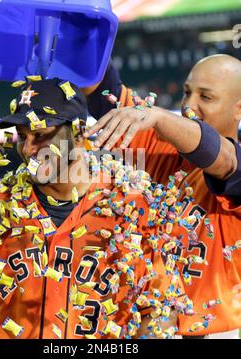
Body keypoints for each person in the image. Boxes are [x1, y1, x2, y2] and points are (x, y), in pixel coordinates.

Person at [0, 78, 186, 339]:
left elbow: (160, 312)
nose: (28, 149)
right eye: (23, 137)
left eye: (40, 135)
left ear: (79, 133)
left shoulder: (132, 208)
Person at [83, 54, 241, 336]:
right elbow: (102, 95)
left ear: (238, 109)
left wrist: (157, 116)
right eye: (187, 92)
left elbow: (223, 157)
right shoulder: (163, 148)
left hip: (216, 330)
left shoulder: (231, 160)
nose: (189, 106)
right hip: (147, 326)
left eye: (206, 97)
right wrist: (86, 32)